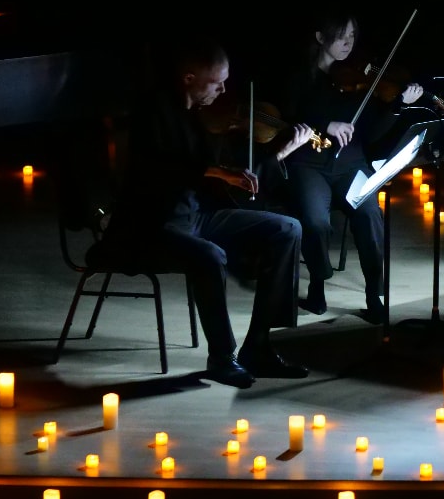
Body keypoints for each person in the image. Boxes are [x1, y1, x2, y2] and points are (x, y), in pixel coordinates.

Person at [100, 37, 314, 388]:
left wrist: (272, 156)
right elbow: (164, 168)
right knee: (210, 256)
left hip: (195, 217)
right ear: (189, 78)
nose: (224, 89)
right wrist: (218, 171)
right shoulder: (152, 112)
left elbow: (221, 179)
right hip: (151, 227)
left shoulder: (198, 116)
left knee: (286, 228)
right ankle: (222, 358)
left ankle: (258, 345)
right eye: (217, 82)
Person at [258, 8, 425, 322]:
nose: (348, 43)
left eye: (352, 36)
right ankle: (318, 283)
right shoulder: (298, 78)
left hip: (350, 165)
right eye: (341, 36)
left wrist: (399, 104)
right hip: (309, 164)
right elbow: (286, 120)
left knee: (369, 214)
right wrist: (325, 125)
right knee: (314, 220)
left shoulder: (359, 78)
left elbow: (372, 132)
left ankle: (374, 292)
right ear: (321, 38)